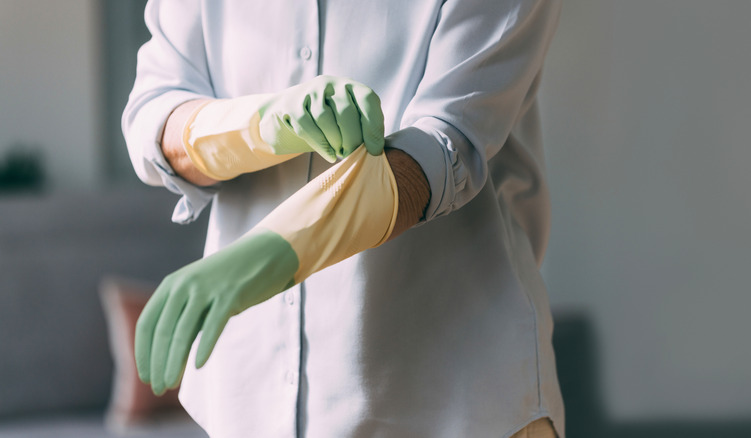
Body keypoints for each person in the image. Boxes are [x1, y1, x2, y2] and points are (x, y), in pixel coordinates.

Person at [122, 0, 564, 436]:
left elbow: (446, 147)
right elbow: (154, 112)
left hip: (455, 400)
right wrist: (261, 126)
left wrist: (274, 248)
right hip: (249, 403)